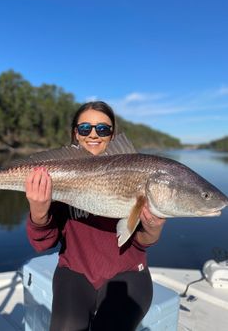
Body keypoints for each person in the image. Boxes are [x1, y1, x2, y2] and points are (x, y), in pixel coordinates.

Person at [25, 101, 166, 331]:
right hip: (74, 273)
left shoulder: (138, 171)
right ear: (75, 134)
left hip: (128, 274)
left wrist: (153, 227)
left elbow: (141, 242)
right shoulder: (57, 175)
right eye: (85, 128)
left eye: (103, 129)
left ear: (112, 135)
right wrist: (38, 212)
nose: (93, 134)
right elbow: (43, 244)